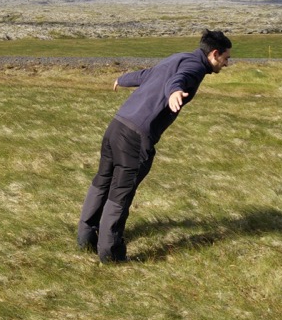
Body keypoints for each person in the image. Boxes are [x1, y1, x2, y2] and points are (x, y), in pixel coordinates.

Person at [77, 29, 232, 263]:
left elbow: (148, 75)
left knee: (102, 180)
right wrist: (175, 92)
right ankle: (110, 254)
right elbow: (176, 81)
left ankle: (86, 238)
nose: (227, 64)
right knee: (120, 193)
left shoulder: (178, 57)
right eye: (226, 58)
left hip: (117, 126)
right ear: (214, 54)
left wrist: (123, 78)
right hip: (136, 136)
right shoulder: (196, 68)